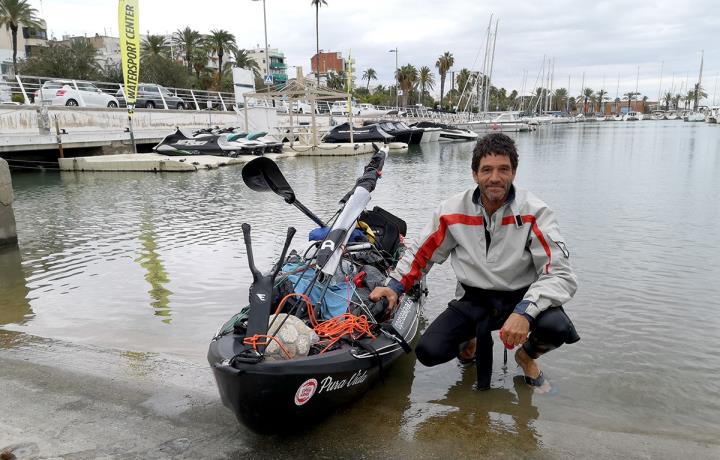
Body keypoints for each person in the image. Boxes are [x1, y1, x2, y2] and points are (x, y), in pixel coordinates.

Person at [370, 133, 579, 391]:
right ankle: (471, 342)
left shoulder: (535, 213)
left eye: (503, 169)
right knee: (428, 351)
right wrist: (394, 285)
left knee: (556, 327)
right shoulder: (452, 211)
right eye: (486, 170)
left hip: (520, 296)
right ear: (474, 174)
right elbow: (421, 253)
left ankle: (526, 356)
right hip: (473, 298)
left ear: (514, 173)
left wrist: (526, 311)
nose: (495, 178)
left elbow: (560, 275)